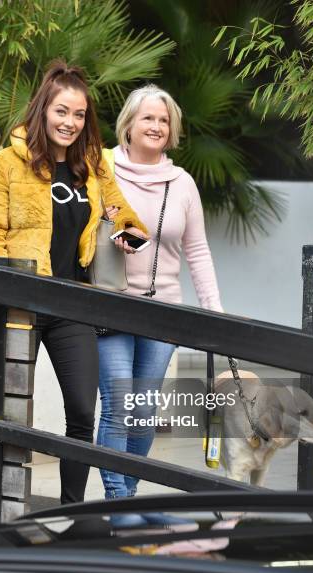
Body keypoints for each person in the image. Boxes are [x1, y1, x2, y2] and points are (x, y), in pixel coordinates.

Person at [0, 60, 147, 505]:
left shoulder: (93, 166)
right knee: (4, 413)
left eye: (79, 114)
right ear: (43, 110)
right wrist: (0, 296)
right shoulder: (4, 164)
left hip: (72, 305)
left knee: (85, 411)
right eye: (61, 112)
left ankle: (71, 510)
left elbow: (124, 214)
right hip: (19, 306)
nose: (70, 122)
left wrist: (128, 232)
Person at [97, 84, 223, 517]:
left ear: (172, 131)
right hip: (109, 307)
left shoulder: (182, 183)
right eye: (147, 117)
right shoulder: (101, 170)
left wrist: (214, 312)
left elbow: (198, 252)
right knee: (118, 404)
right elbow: (85, 226)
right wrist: (117, 231)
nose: (156, 125)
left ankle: (123, 502)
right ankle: (119, 507)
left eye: (164, 120)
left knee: (143, 409)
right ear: (128, 125)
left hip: (162, 309)